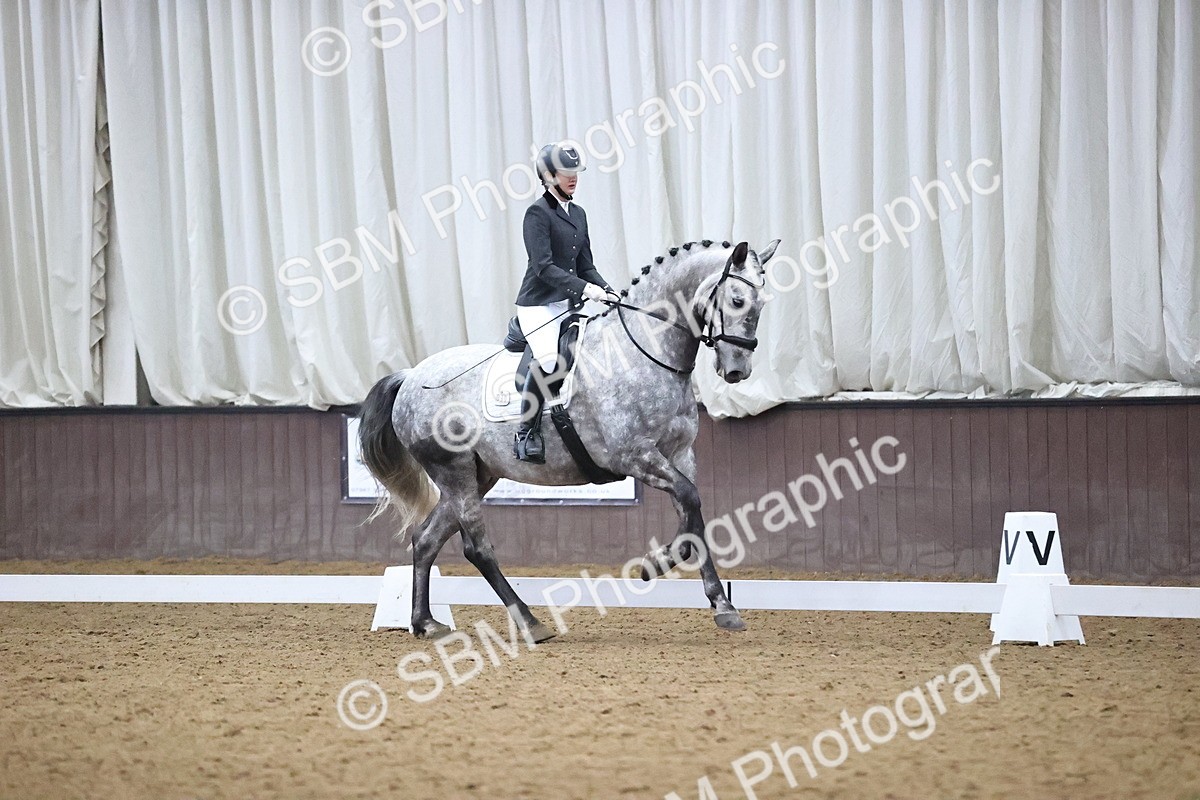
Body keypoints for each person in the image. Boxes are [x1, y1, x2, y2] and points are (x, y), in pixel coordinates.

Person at [513, 142, 618, 463]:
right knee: (549, 364)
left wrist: (606, 288)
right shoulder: (537, 214)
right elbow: (543, 268)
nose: (573, 178)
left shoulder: (579, 213)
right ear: (548, 176)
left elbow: (585, 264)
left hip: (569, 303)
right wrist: (587, 289)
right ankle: (525, 431)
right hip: (539, 304)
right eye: (566, 172)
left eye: (576, 172)